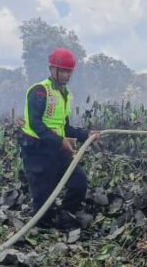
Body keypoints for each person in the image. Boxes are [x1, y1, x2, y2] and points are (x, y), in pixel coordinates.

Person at [19, 47, 99, 230]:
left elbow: (65, 126)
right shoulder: (40, 91)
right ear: (52, 69)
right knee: (43, 200)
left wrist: (86, 134)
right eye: (62, 70)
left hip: (57, 149)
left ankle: (65, 214)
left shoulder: (66, 95)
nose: (66, 75)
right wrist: (61, 141)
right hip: (37, 150)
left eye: (69, 71)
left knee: (79, 183)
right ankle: (44, 224)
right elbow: (36, 124)